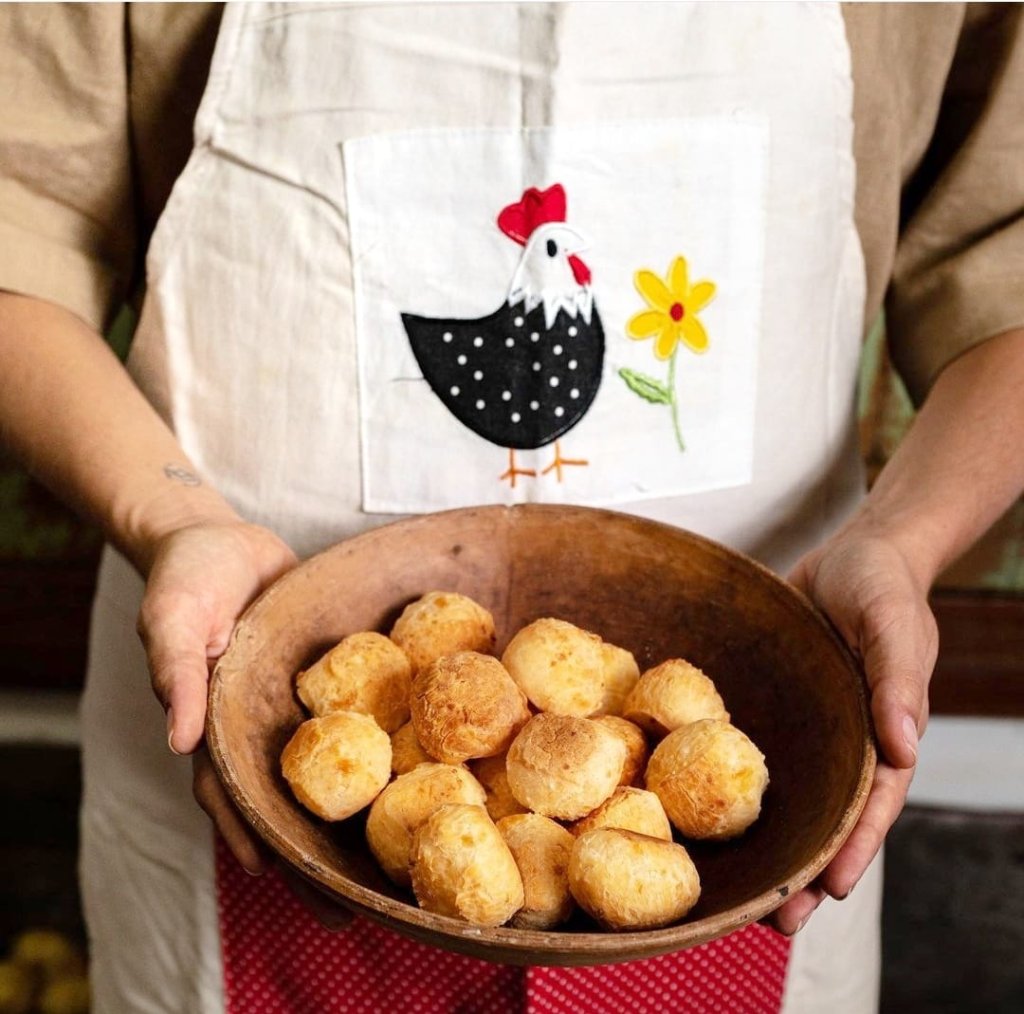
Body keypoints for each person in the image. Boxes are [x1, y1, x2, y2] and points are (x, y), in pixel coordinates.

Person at [1, 2, 1023, 1011]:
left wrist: (901, 539)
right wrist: (173, 519)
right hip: (241, 703)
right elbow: (20, 227)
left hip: (777, 751)